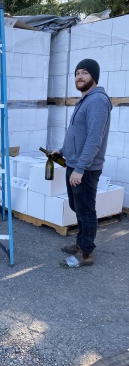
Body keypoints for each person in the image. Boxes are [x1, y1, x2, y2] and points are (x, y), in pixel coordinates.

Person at [53, 58, 112, 268]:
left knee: (86, 210)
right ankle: (81, 242)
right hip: (76, 164)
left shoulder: (97, 101)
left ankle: (86, 254)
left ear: (93, 77)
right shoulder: (85, 100)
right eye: (77, 73)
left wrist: (80, 168)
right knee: (77, 207)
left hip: (85, 169)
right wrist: (63, 150)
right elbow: (78, 133)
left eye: (85, 72)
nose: (79, 76)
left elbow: (94, 139)